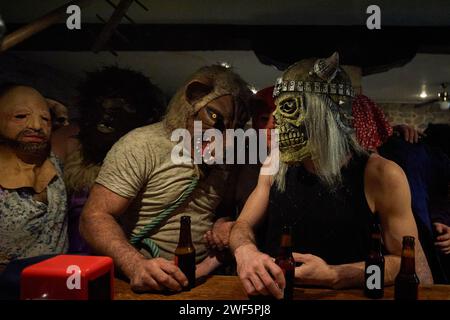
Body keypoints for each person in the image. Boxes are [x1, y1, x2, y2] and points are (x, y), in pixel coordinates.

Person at [229, 52, 433, 299]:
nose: (278, 122)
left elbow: (405, 262)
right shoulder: (275, 164)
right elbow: (242, 225)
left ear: (324, 113)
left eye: (288, 108)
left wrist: (338, 275)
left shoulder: (380, 174)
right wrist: (245, 252)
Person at [80, 65, 252, 292]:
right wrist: (136, 266)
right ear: (193, 98)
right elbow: (94, 217)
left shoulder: (228, 159)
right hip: (145, 280)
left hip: (202, 279)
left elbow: (222, 210)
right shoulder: (142, 144)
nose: (224, 139)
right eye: (214, 116)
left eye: (235, 128)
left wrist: (223, 226)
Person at [51, 66, 166, 254]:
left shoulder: (147, 158)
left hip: (123, 257)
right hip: (70, 258)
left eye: (126, 105)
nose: (108, 110)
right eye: (101, 101)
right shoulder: (70, 144)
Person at [0, 84, 67, 269]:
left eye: (45, 119)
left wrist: (57, 112)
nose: (36, 126)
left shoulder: (54, 157)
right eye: (20, 116)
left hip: (58, 285)